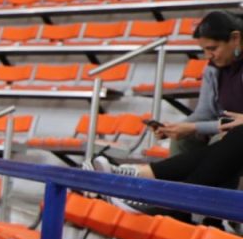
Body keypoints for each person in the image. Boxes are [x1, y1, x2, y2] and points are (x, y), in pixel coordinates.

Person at [94, 12, 243, 205]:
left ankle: (171, 200)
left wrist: (193, 127)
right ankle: (170, 197)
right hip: (228, 131)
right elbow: (205, 113)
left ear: (235, 38)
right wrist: (175, 128)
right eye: (204, 50)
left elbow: (234, 124)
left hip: (234, 135)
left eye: (213, 48)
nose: (208, 56)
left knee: (224, 140)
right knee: (183, 139)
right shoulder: (213, 68)